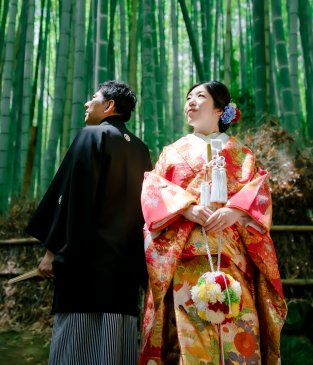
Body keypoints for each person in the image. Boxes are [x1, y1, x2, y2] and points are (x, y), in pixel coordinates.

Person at [138, 81, 287, 365]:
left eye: (199, 96)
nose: (190, 102)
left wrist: (235, 211)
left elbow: (259, 191)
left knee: (241, 337)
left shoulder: (242, 153)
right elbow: (153, 189)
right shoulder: (172, 153)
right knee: (191, 339)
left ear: (220, 109)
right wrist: (187, 209)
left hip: (233, 260)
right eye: (188, 98)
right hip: (187, 259)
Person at [26, 80, 152, 365]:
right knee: (114, 349)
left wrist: (52, 253)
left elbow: (71, 198)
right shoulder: (142, 150)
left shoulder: (92, 136)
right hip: (124, 271)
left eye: (93, 97)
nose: (86, 103)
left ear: (109, 105)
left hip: (86, 265)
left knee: (76, 348)